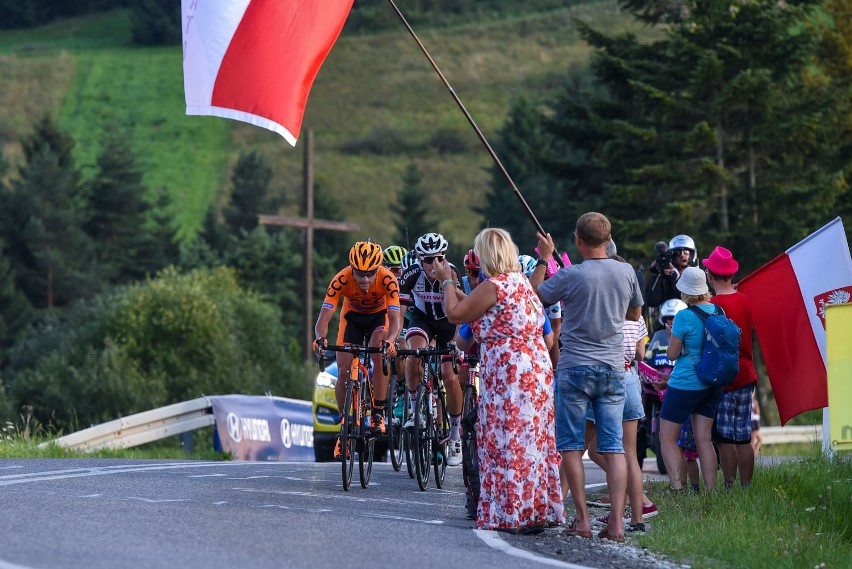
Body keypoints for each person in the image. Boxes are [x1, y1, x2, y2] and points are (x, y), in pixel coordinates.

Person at [436, 227, 564, 533]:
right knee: (532, 441)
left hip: (508, 372)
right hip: (536, 368)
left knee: (506, 440)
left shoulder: (493, 286)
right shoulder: (521, 283)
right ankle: (535, 510)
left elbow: (455, 314)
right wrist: (544, 258)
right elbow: (538, 304)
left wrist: (448, 281)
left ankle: (510, 513)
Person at [531, 212, 644, 544]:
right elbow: (635, 313)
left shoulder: (571, 275)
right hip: (612, 370)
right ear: (608, 241)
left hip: (574, 367)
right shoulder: (626, 272)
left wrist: (545, 258)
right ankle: (618, 526)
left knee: (571, 445)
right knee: (614, 449)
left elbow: (537, 293)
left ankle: (581, 520)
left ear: (579, 241)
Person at [313, 241, 402, 460]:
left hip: (378, 319)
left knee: (379, 352)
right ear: (352, 269)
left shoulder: (388, 279)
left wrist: (390, 341)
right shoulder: (341, 278)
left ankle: (378, 413)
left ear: (378, 269)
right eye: (360, 274)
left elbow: (395, 320)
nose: (364, 279)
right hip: (351, 318)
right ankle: (344, 426)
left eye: (370, 274)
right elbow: (324, 317)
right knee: (343, 372)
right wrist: (320, 339)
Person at [587, 255, 657, 533]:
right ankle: (638, 515)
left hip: (606, 380)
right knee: (628, 453)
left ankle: (618, 510)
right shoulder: (636, 320)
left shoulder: (605, 315)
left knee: (597, 449)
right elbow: (641, 354)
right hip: (630, 379)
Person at [398, 232, 464, 466]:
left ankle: (455, 435)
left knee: (449, 376)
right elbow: (399, 312)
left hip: (449, 323)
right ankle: (415, 409)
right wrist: (398, 338)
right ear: (419, 259)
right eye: (427, 259)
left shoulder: (451, 272)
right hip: (423, 319)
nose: (433, 264)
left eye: (438, 258)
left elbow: (462, 308)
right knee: (413, 356)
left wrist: (457, 342)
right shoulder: (410, 274)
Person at [660, 266, 722, 492]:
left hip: (686, 383)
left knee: (667, 437)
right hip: (713, 383)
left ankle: (678, 488)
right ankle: (711, 492)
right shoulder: (718, 311)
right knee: (704, 439)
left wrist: (671, 336)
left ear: (685, 292)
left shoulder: (684, 316)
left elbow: (672, 354)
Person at [704, 246, 758, 488]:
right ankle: (746, 485)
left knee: (725, 437)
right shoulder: (746, 300)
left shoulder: (712, 306)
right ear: (732, 275)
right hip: (747, 373)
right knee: (744, 435)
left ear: (710, 275)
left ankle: (728, 484)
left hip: (724, 376)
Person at [646, 234, 698, 309]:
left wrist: (677, 279)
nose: (682, 255)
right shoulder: (666, 273)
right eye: (678, 253)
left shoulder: (695, 275)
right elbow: (652, 301)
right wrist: (658, 275)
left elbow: (692, 301)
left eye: (686, 252)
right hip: (667, 316)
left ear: (692, 255)